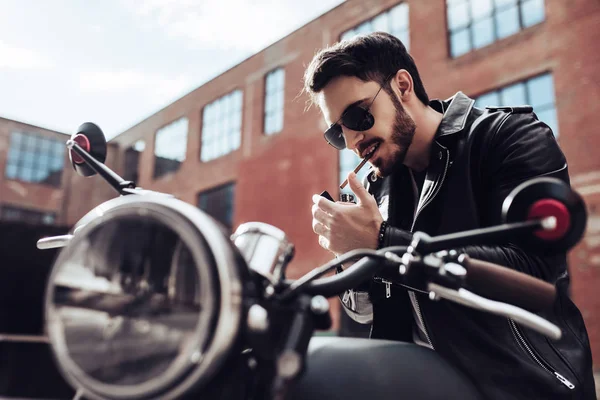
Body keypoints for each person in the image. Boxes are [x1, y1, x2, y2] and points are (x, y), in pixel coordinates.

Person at [304, 32, 596, 400]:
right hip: (417, 380)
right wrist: (349, 256)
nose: (351, 141)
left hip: (517, 385)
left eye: (356, 115)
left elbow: (537, 272)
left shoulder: (509, 137)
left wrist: (381, 242)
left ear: (403, 85)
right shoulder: (376, 191)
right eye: (336, 132)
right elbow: (364, 314)